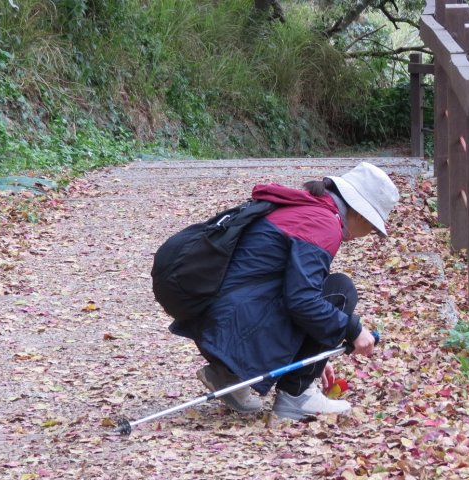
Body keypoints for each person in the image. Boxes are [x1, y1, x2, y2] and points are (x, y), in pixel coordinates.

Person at [169, 162, 400, 420]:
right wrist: (353, 330)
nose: (368, 234)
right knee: (341, 291)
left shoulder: (304, 206)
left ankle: (229, 374)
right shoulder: (324, 223)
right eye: (373, 228)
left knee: (327, 292)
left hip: (214, 320)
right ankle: (297, 396)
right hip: (232, 327)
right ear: (362, 215)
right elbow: (303, 300)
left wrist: (313, 359)